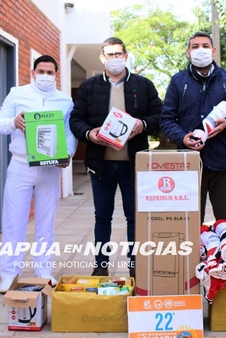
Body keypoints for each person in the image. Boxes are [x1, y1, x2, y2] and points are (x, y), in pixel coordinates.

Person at [69, 37, 162, 277]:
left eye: (118, 53)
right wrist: (90, 134)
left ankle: (135, 267)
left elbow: (160, 116)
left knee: (134, 218)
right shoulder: (89, 87)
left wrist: (143, 124)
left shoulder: (144, 85)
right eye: (109, 55)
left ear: (126, 55)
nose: (114, 59)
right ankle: (101, 266)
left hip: (134, 165)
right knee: (102, 217)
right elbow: (76, 119)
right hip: (101, 165)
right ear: (102, 59)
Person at [0, 55, 76, 293]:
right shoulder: (17, 94)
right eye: (41, 71)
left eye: (50, 72)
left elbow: (69, 131)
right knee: (14, 221)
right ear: (32, 72)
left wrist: (68, 153)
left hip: (50, 168)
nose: (46, 76)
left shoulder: (65, 100)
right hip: (20, 165)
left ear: (56, 75)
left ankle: (44, 270)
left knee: (46, 223)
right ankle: (10, 273)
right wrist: (13, 122)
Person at [161, 31, 226, 223]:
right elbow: (167, 119)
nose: (200, 50)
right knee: (190, 222)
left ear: (213, 50)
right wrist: (182, 137)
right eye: (195, 47)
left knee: (225, 222)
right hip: (189, 163)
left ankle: (225, 252)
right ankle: (193, 254)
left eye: (205, 46)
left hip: (223, 161)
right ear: (188, 52)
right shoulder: (178, 81)